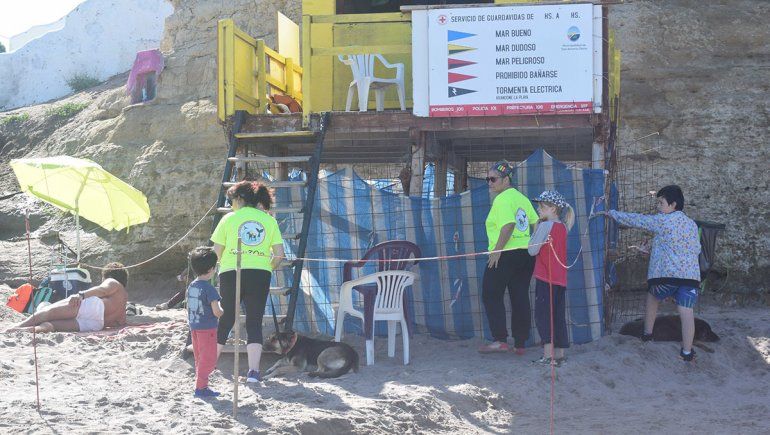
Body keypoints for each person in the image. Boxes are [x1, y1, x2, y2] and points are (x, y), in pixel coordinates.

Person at [605, 185, 701, 362]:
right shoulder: (692, 225)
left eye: (661, 202)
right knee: (687, 312)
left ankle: (647, 334)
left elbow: (638, 220)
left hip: (666, 277)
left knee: (652, 296)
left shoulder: (662, 221)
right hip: (691, 279)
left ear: (673, 205)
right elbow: (695, 249)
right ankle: (687, 352)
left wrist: (612, 214)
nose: (658, 206)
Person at [211, 180, 285, 383]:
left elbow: (216, 253)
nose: (229, 204)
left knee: (225, 319)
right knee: (254, 321)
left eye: (230, 200)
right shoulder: (269, 220)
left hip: (231, 271)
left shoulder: (228, 219)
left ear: (240, 199)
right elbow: (279, 255)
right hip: (260, 273)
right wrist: (266, 268)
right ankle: (253, 372)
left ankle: (209, 367)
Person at [479, 161, 538, 354]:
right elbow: (536, 222)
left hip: (504, 254)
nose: (489, 182)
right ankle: (520, 343)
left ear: (506, 180)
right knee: (519, 296)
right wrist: (534, 246)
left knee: (490, 293)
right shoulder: (522, 198)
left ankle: (500, 339)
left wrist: (497, 251)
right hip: (525, 254)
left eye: (493, 179)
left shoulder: (502, 199)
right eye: (488, 179)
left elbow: (508, 225)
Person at [6, 263, 129, 333]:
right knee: (52, 326)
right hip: (97, 324)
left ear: (108, 275)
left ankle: (13, 329)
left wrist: (80, 295)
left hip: (94, 307)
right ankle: (31, 330)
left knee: (47, 312)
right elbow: (120, 322)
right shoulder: (123, 299)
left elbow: (103, 290)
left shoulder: (112, 281)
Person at [528, 190, 575, 367]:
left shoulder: (544, 226)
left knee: (543, 316)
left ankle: (548, 356)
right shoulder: (563, 227)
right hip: (559, 279)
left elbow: (532, 250)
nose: (538, 209)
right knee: (557, 315)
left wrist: (536, 229)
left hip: (545, 278)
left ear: (553, 209)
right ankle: (560, 354)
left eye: (542, 206)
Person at [186, 247, 224, 398]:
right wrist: (223, 311)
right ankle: (200, 388)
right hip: (207, 329)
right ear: (211, 269)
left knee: (199, 357)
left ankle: (202, 385)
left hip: (194, 327)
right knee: (208, 359)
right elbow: (216, 311)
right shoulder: (209, 289)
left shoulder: (192, 285)